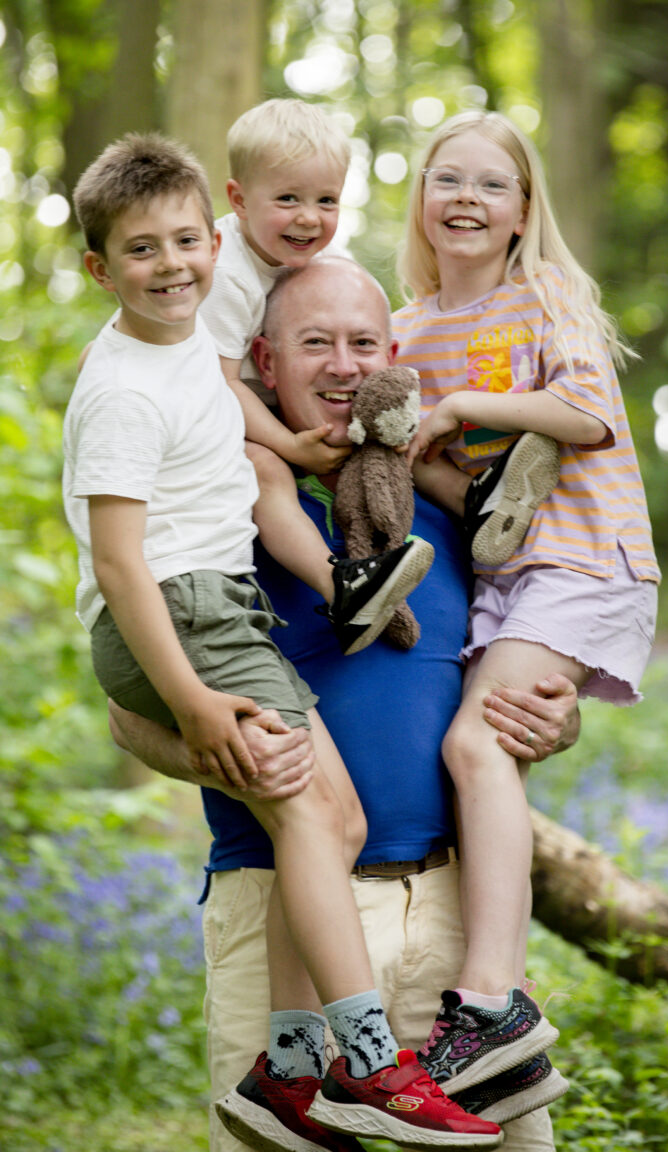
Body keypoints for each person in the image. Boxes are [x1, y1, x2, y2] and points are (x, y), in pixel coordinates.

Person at [64, 136, 502, 1152]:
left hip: (433, 894)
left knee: (330, 816)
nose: (174, 263)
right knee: (318, 810)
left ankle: (298, 1067)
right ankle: (361, 1062)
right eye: (144, 249)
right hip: (197, 633)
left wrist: (546, 699)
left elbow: (225, 410)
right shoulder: (137, 398)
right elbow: (123, 587)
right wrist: (199, 711)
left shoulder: (195, 377)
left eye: (189, 242)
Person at [108, 255, 584, 1152]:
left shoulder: (453, 511)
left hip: (452, 912)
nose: (342, 365)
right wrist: (210, 751)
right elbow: (127, 711)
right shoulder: (210, 513)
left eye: (363, 343)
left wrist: (556, 720)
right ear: (264, 362)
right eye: (314, 342)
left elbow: (521, 669)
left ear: (394, 358)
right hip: (277, 912)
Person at [390, 110, 661, 1093]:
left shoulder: (545, 295)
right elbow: (462, 493)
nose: (466, 198)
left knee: (474, 745)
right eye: (447, 179)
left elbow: (585, 417)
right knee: (483, 756)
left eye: (491, 184)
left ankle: (493, 1002)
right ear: (420, 201)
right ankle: (496, 1033)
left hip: (587, 560)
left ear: (522, 212)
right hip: (505, 572)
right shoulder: (405, 330)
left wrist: (463, 407)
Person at [202, 97, 433, 654]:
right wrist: (289, 445)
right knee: (264, 468)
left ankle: (479, 499)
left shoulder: (284, 256)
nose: (309, 217)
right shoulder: (225, 274)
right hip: (195, 414)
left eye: (326, 200)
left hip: (230, 403)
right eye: (288, 199)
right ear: (237, 200)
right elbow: (218, 385)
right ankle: (341, 586)